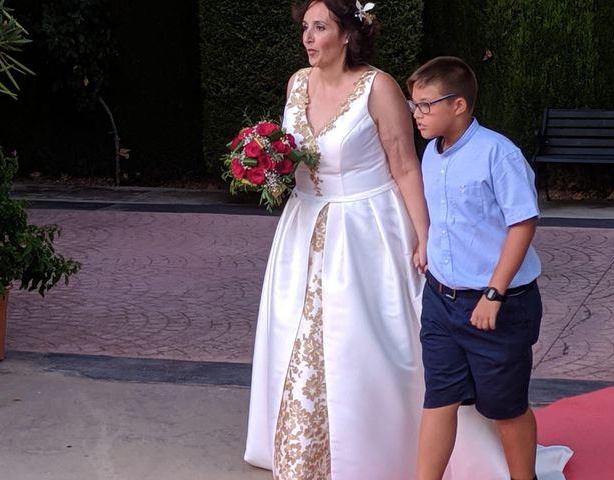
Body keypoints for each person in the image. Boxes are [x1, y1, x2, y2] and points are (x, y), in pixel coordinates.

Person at [244, 0, 430, 478]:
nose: (308, 37)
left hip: (366, 230)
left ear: (347, 34)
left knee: (363, 343)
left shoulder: (379, 87)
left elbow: (405, 165)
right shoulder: (296, 83)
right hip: (302, 226)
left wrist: (425, 235)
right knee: (296, 333)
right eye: (305, 27)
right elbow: (293, 153)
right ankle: (304, 451)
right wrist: (268, 168)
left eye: (320, 27)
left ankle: (378, 452)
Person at [407, 56, 571, 480]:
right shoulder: (431, 153)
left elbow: (523, 223)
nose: (417, 115)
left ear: (458, 105)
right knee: (438, 398)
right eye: (414, 105)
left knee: (505, 406)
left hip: (497, 306)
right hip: (441, 302)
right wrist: (427, 245)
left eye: (426, 105)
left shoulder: (498, 153)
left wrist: (493, 294)